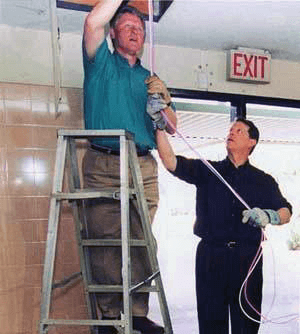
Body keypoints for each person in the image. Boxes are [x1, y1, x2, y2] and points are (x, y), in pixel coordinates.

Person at [82, 1, 176, 333]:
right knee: (106, 240)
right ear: (112, 33)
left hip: (142, 165)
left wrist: (162, 105)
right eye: (127, 26)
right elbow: (93, 21)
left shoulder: (151, 78)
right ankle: (109, 316)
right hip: (103, 161)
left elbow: (173, 127)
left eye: (139, 28)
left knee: (140, 240)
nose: (135, 31)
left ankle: (137, 312)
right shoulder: (100, 63)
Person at [153, 116, 292, 334]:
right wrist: (159, 128)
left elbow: (286, 212)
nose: (232, 133)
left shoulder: (264, 180)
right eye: (230, 130)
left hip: (247, 259)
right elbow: (171, 162)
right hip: (211, 256)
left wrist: (269, 216)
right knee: (211, 321)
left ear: (252, 142)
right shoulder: (209, 170)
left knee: (246, 322)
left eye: (239, 130)